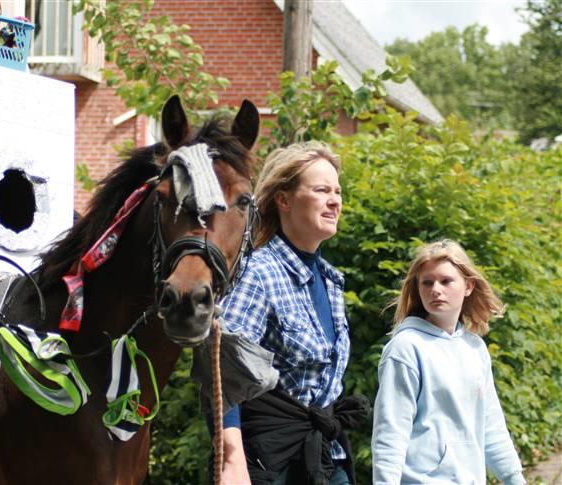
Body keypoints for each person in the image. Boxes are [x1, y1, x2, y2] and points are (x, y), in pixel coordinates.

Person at [216, 141, 370, 485]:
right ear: (283, 200)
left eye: (337, 191)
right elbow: (223, 373)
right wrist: (231, 458)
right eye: (321, 190)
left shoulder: (331, 281)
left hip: (325, 456)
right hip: (270, 460)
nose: (334, 200)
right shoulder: (257, 273)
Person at [371, 240, 526, 485]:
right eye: (427, 282)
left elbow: (491, 426)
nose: (435, 289)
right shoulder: (406, 348)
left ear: (468, 286)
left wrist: (514, 479)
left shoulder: (475, 347)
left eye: (446, 281)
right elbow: (391, 430)